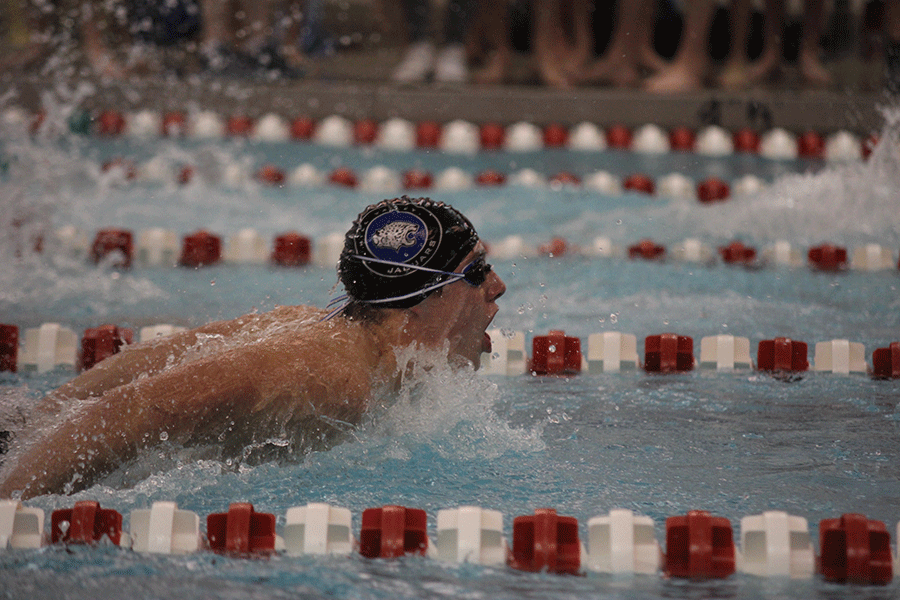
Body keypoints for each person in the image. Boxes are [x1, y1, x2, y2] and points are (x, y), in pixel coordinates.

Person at [0, 196, 506, 500]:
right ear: (413, 314)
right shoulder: (327, 379)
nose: (498, 286)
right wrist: (12, 505)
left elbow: (134, 370)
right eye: (477, 272)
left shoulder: (309, 325)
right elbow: (127, 409)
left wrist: (28, 425)